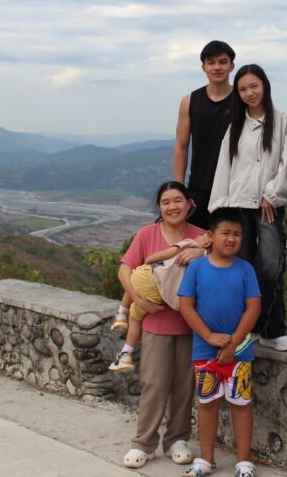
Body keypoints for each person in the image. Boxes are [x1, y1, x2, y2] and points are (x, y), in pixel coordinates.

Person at [117, 181, 206, 469]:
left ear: (189, 203)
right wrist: (137, 300)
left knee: (183, 386)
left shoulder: (201, 236)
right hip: (155, 322)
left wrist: (201, 253)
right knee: (153, 384)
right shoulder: (147, 235)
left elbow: (221, 261)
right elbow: (125, 269)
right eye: (166, 202)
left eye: (178, 200)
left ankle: (177, 439)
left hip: (191, 324)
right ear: (159, 207)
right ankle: (144, 442)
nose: (172, 206)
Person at [209, 64, 287, 351]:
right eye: (243, 88)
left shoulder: (283, 121)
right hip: (237, 205)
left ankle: (273, 329)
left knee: (270, 266)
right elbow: (225, 167)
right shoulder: (237, 125)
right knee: (241, 268)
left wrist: (273, 194)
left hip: (267, 205)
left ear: (265, 85)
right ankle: (249, 327)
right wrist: (219, 208)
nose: (249, 93)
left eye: (254, 86)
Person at [178, 207, 261, 477]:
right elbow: (186, 306)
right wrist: (210, 337)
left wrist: (233, 343)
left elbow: (253, 309)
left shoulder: (246, 269)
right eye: (226, 233)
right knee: (207, 404)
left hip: (240, 353)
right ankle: (207, 459)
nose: (232, 239)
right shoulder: (197, 268)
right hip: (205, 350)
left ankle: (244, 462)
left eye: (237, 234)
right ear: (210, 236)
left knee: (241, 404)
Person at [108, 232, 210, 373]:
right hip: (161, 296)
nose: (199, 234)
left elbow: (163, 255)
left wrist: (149, 260)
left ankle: (121, 313)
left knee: (134, 280)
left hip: (151, 279)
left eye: (203, 235)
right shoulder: (207, 263)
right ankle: (125, 355)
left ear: (206, 242)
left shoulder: (190, 243)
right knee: (136, 315)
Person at [174, 40, 236, 230]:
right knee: (193, 245)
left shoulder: (242, 100)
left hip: (234, 187)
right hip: (199, 187)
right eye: (211, 62)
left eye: (222, 62)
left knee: (232, 245)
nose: (217, 67)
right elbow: (181, 147)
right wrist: (179, 189)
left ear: (231, 66)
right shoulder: (190, 101)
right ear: (203, 67)